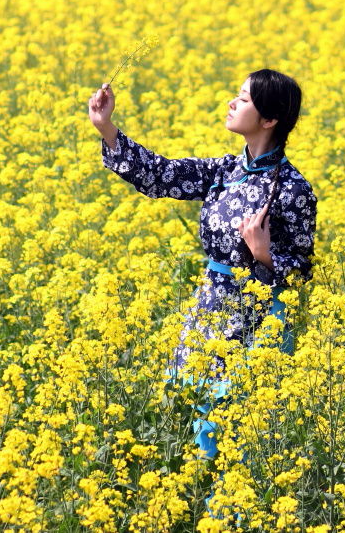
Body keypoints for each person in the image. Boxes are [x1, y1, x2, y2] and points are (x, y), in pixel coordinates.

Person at [87, 68, 317, 519]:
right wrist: (106, 127)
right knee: (197, 415)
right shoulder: (224, 171)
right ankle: (201, 511)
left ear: (269, 119)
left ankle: (231, 515)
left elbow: (301, 275)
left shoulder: (293, 190)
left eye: (245, 98)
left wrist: (263, 254)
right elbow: (160, 176)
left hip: (257, 318)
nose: (233, 102)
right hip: (212, 308)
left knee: (236, 423)